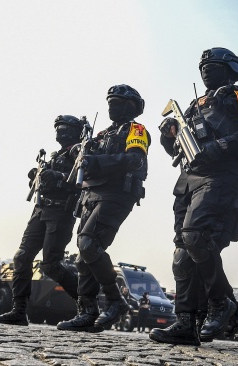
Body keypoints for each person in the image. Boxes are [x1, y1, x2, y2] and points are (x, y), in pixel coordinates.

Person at [149, 47, 238, 347]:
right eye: (203, 65)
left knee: (196, 237)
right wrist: (169, 135)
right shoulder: (191, 107)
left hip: (222, 175)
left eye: (213, 64)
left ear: (229, 69)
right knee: (181, 254)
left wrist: (222, 145)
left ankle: (220, 303)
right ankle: (186, 322)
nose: (206, 69)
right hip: (190, 179)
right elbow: (176, 152)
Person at [57, 84, 150, 332]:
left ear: (130, 106)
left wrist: (95, 161)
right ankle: (87, 312)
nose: (111, 106)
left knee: (89, 243)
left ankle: (115, 300)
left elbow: (134, 159)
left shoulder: (136, 129)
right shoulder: (100, 134)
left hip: (117, 193)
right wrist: (79, 151)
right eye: (109, 101)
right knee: (83, 257)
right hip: (91, 193)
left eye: (117, 102)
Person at [0, 115, 85, 326]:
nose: (60, 132)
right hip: (41, 210)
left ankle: (88, 306)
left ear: (76, 131)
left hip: (61, 213)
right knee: (22, 257)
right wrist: (37, 176)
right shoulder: (55, 155)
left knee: (51, 264)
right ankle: (19, 310)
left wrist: (59, 177)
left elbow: (85, 180)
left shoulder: (80, 151)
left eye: (66, 128)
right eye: (58, 128)